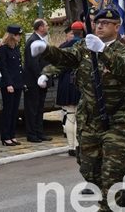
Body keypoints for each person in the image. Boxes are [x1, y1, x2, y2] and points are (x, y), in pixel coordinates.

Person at [31, 8, 125, 211]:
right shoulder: (84, 47)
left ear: (117, 26)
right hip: (89, 118)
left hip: (116, 120)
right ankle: (117, 194)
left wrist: (103, 52)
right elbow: (65, 58)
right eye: (98, 23)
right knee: (88, 168)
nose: (100, 26)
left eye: (106, 23)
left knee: (112, 170)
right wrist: (46, 51)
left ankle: (107, 205)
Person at [42, 21, 84, 156]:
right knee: (80, 116)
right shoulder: (85, 45)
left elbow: (56, 65)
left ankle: (71, 146)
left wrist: (46, 74)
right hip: (81, 82)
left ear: (72, 31)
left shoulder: (63, 46)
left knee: (70, 115)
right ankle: (79, 146)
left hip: (66, 81)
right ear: (82, 31)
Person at [23, 19, 52, 142]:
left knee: (39, 108)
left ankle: (39, 132)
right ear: (40, 27)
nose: (47, 27)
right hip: (34, 81)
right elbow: (33, 62)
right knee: (32, 109)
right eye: (46, 25)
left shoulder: (40, 40)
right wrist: (40, 77)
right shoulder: (33, 41)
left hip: (41, 79)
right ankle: (32, 134)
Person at [0, 25, 25, 147]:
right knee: (8, 111)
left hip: (17, 83)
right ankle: (5, 136)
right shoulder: (3, 49)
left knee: (14, 111)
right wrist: (8, 83)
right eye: (18, 35)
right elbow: (3, 67)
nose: (20, 37)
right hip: (9, 84)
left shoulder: (16, 48)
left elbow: (18, 67)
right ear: (12, 35)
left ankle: (12, 135)